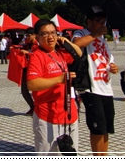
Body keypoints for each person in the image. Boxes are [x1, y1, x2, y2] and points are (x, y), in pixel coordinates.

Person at [27, 19, 82, 155]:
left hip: (68, 114)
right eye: (45, 34)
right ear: (37, 37)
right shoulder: (37, 56)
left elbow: (79, 54)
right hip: (48, 116)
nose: (50, 37)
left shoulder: (59, 53)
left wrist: (67, 42)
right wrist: (59, 79)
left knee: (70, 153)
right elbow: (32, 83)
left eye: (53, 33)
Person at [72, 6, 119, 156]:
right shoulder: (81, 33)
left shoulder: (102, 39)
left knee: (106, 128)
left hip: (106, 86)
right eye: (98, 21)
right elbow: (75, 45)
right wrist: (95, 34)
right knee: (97, 128)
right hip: (91, 88)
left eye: (103, 21)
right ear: (89, 21)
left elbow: (108, 60)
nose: (101, 24)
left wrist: (113, 66)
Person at [20, 27, 39, 116]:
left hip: (35, 70)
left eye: (29, 35)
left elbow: (39, 56)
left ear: (34, 35)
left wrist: (28, 53)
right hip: (26, 69)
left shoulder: (38, 45)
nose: (27, 37)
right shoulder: (27, 45)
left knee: (37, 90)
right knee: (24, 91)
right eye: (26, 35)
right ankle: (32, 106)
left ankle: (38, 108)